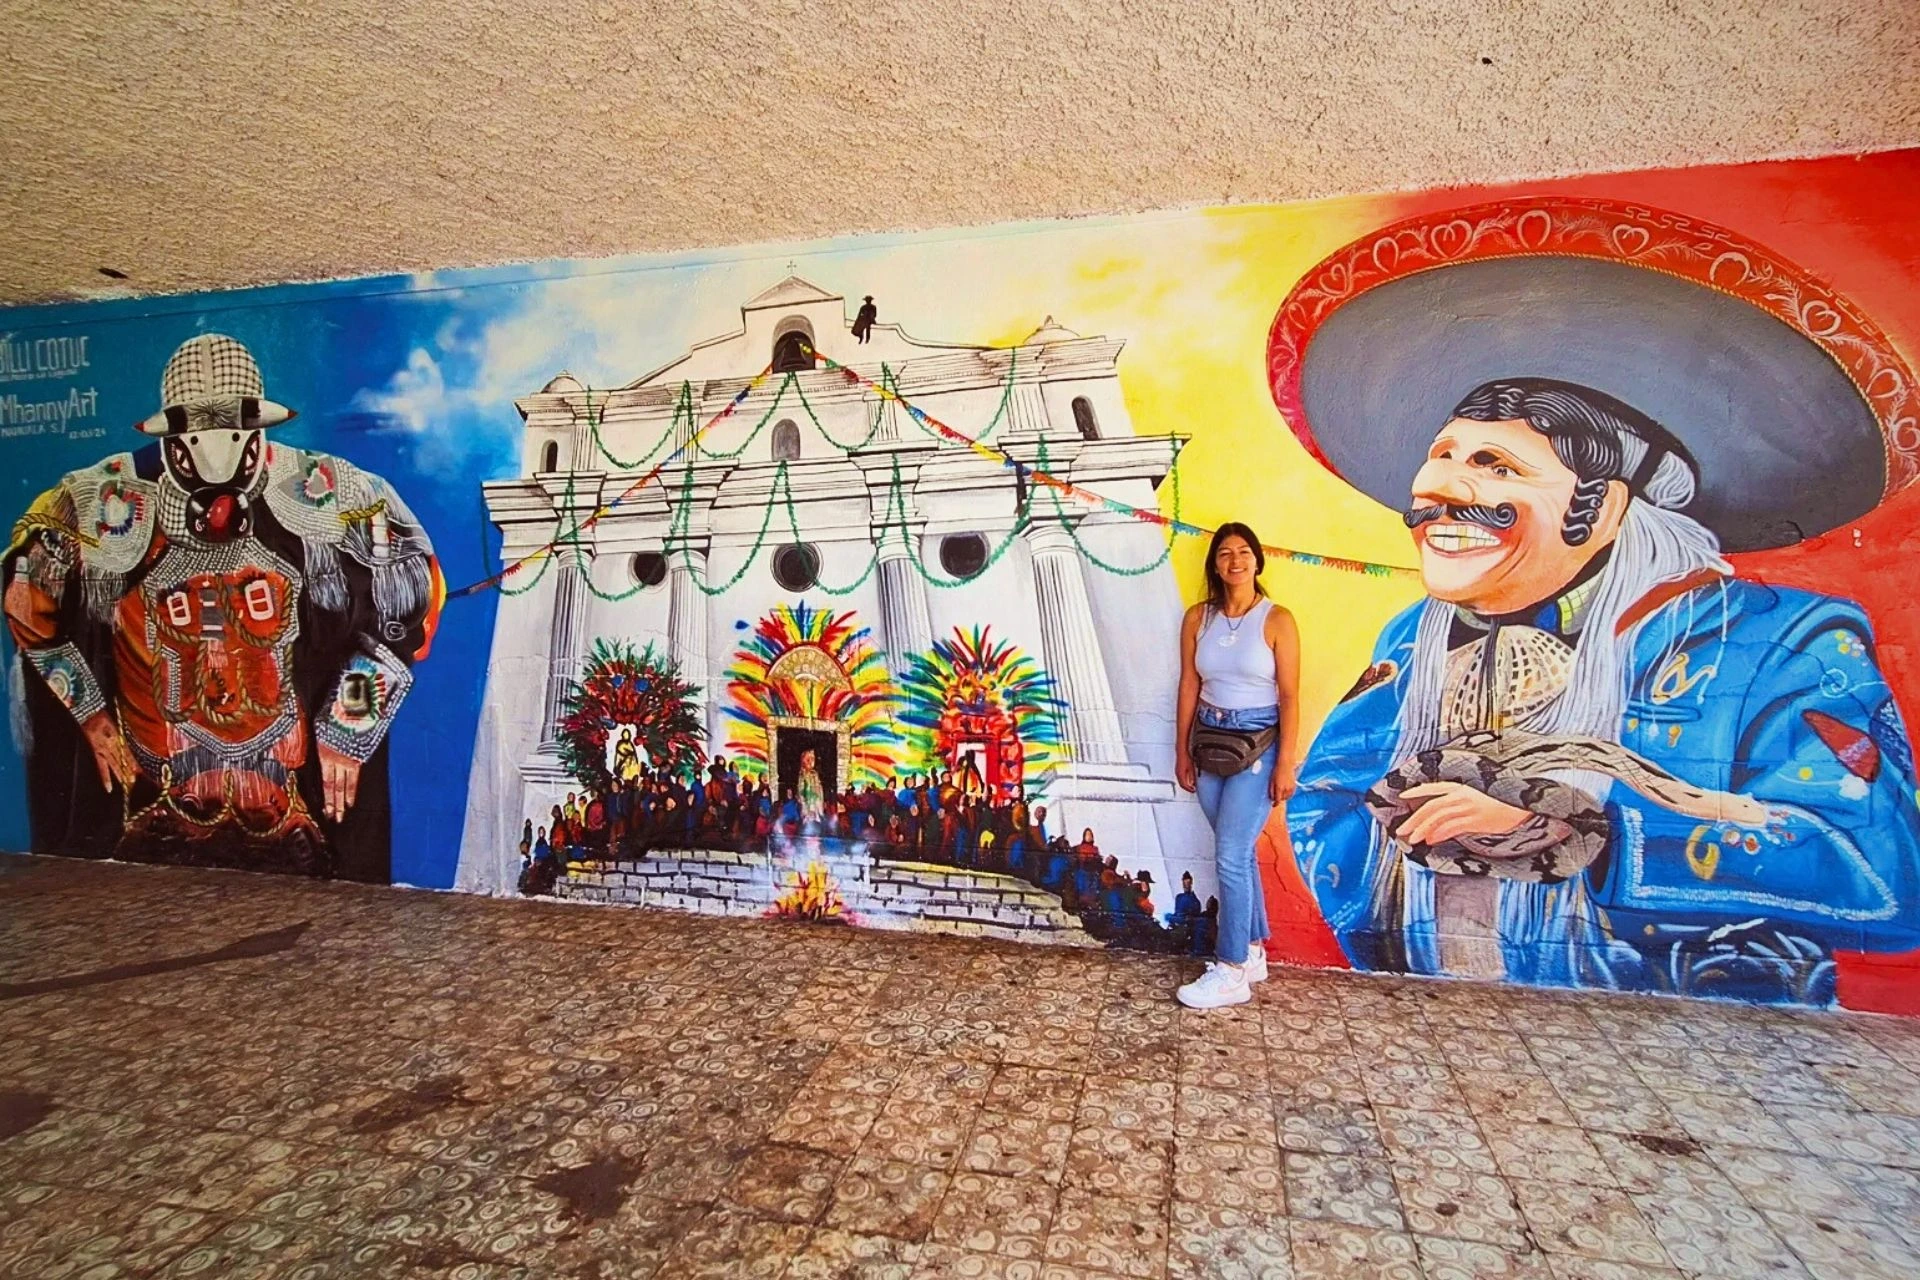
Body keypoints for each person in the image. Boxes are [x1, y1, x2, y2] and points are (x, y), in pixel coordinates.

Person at [1273, 204, 1920, 1001]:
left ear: (1604, 507)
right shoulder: (1414, 639)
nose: (1439, 489)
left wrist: (1581, 833)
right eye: (1441, 455)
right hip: (1435, 1014)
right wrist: (1403, 879)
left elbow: (1883, 871)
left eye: (1495, 465)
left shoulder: (1778, 640)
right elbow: (1327, 795)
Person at [3, 334, 442, 881]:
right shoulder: (95, 501)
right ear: (171, 439)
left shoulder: (337, 493)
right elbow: (25, 601)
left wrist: (349, 725)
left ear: (258, 432)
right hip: (153, 800)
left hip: (294, 801)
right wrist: (90, 715)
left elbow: (408, 605)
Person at [1173, 522, 1301, 1009]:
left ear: (1257, 560)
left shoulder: (1277, 619)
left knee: (1229, 854)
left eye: (1244, 552)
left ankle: (1230, 971)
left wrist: (1285, 763)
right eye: (1225, 553)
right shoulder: (1198, 618)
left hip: (1258, 744)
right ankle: (1252, 951)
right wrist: (1181, 749)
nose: (1235, 561)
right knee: (1238, 852)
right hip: (1209, 741)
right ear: (1215, 564)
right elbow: (1189, 683)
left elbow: (1290, 696)